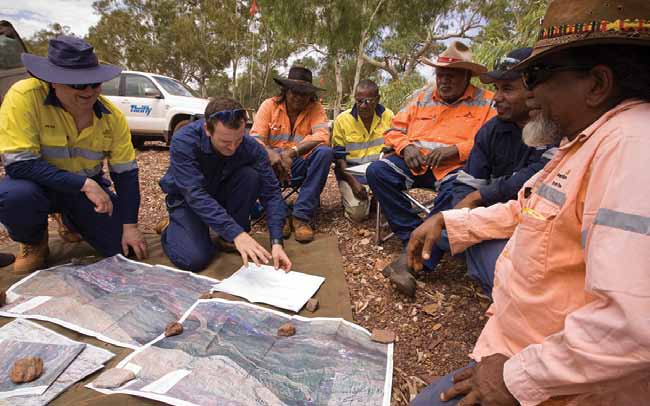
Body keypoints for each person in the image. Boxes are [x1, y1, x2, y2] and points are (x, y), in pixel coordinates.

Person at [409, 1, 650, 404]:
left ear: (597, 84)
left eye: (537, 75)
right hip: (522, 347)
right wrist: (450, 223)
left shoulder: (632, 147)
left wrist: (516, 379)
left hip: (561, 383)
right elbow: (530, 207)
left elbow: (630, 324)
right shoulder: (584, 142)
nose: (530, 91)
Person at [383, 47, 555, 297]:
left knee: (456, 197)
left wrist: (471, 201)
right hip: (429, 171)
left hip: (526, 218)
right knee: (384, 173)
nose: (497, 98)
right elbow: (469, 182)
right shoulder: (488, 127)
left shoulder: (553, 127)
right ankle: (417, 242)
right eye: (440, 74)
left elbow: (536, 178)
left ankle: (423, 250)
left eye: (507, 89)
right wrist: (406, 147)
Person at [0, 36, 148, 275]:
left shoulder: (113, 117)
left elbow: (126, 174)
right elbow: (18, 164)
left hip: (84, 192)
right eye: (78, 85)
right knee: (14, 196)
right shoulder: (24, 97)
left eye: (95, 83)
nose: (89, 92)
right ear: (53, 81)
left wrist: (130, 225)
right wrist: (84, 184)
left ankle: (69, 219)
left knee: (120, 249)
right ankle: (34, 241)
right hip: (38, 185)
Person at [158, 97, 291, 273]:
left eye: (238, 140)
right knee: (194, 259)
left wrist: (276, 242)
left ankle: (227, 235)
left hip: (221, 191)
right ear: (207, 129)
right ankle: (171, 228)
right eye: (225, 142)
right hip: (188, 199)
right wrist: (236, 233)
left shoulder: (251, 146)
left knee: (251, 176)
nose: (233, 148)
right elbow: (194, 193)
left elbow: (272, 193)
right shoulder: (184, 141)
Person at [250, 66, 333, 243]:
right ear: (285, 91)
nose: (299, 97)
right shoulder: (269, 105)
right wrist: (273, 155)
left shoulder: (316, 108)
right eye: (294, 92)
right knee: (254, 157)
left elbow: (323, 136)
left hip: (300, 161)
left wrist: (292, 152)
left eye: (304, 94)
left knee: (325, 152)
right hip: (272, 165)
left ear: (311, 95)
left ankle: (301, 216)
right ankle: (279, 215)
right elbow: (255, 139)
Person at [332, 79, 394, 222]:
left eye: (368, 101)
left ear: (378, 99)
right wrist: (353, 182)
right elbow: (339, 157)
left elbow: (394, 149)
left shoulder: (388, 116)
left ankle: (375, 200)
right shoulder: (342, 120)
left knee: (392, 209)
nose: (363, 106)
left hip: (379, 172)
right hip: (352, 174)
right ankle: (352, 198)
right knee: (358, 215)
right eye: (359, 101)